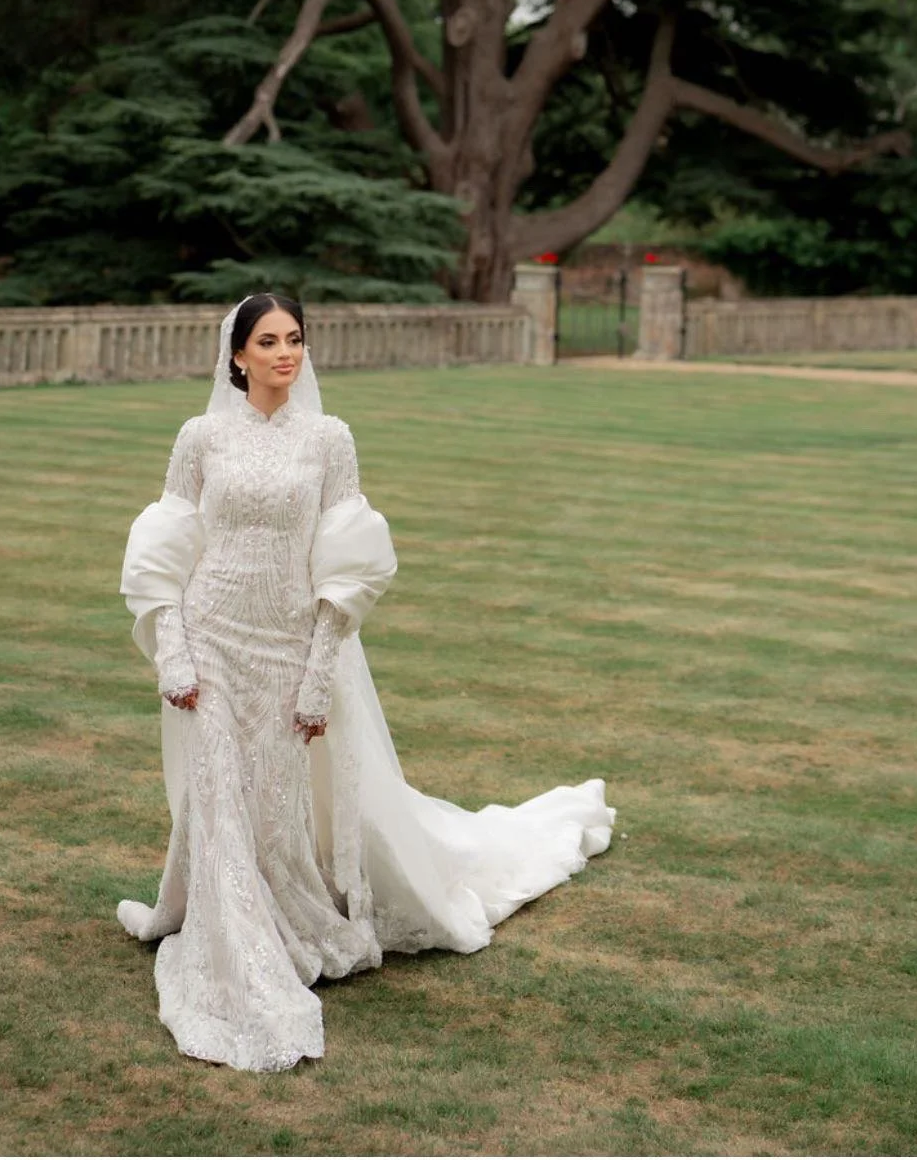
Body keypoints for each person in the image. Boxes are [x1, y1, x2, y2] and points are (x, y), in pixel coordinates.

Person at [117, 291, 614, 1072]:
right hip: (212, 636)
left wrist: (319, 673)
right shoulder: (200, 437)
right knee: (216, 788)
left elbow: (350, 562)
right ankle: (234, 951)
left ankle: (284, 911)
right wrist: (172, 651)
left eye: (296, 339)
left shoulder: (330, 440)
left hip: (287, 644)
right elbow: (168, 542)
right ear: (237, 355)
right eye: (270, 341)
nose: (287, 353)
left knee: (275, 808)